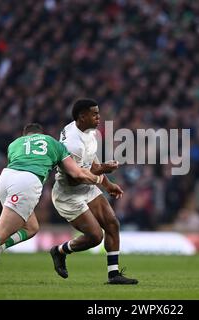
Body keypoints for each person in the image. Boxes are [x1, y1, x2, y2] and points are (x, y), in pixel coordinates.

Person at [0, 123, 103, 284]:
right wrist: (99, 178)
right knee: (0, 234)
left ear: (25, 135)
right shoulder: (52, 142)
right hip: (27, 181)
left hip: (5, 179)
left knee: (31, 227)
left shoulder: (14, 144)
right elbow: (76, 173)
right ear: (42, 134)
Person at [50, 98, 138, 285]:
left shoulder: (87, 132)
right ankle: (59, 251)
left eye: (98, 113)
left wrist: (108, 184)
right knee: (95, 237)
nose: (99, 117)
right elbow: (75, 178)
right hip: (68, 194)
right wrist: (103, 172)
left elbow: (90, 163)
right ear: (82, 116)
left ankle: (113, 275)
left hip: (86, 186)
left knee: (112, 223)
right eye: (94, 114)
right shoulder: (73, 143)